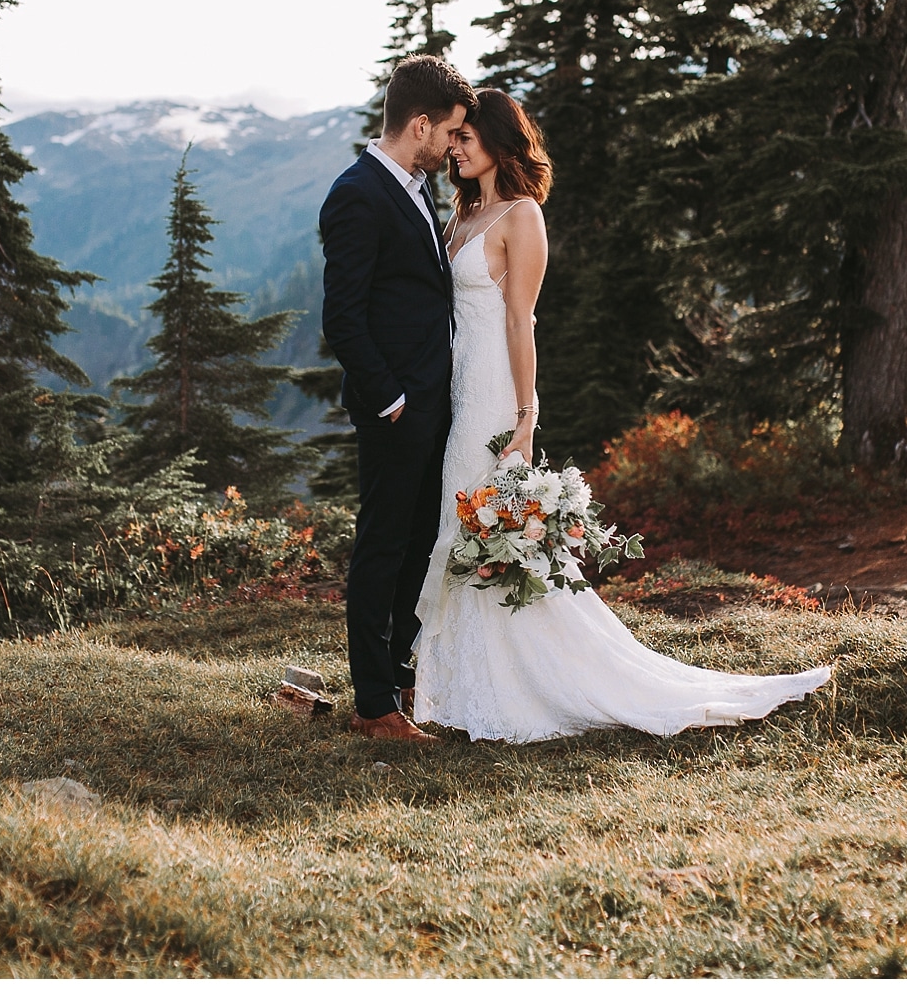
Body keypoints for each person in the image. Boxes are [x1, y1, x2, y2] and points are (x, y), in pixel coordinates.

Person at [410, 89, 832, 743]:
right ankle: (462, 682)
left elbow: (522, 321)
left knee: (490, 534)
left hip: (493, 393)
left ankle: (529, 683)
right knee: (465, 529)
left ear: (497, 140)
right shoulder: (464, 215)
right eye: (454, 137)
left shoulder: (521, 216)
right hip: (457, 388)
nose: (455, 146)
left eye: (466, 136)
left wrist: (525, 416)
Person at [318, 54, 478, 742]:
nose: (453, 146)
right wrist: (390, 401)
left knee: (416, 541)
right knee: (382, 546)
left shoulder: (414, 188)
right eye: (449, 132)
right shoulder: (358, 193)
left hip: (430, 401)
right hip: (397, 408)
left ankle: (399, 678)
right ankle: (373, 704)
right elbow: (342, 316)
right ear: (420, 125)